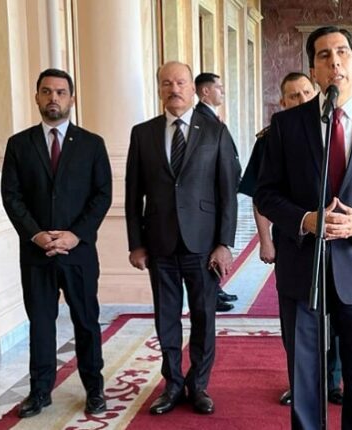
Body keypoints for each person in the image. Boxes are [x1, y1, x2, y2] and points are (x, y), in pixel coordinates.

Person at [255, 26, 352, 429]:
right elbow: (267, 194)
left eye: (342, 52)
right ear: (314, 69)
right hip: (301, 266)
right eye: (324, 55)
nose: (334, 61)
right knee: (305, 373)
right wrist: (305, 220)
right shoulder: (286, 126)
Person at [125, 61, 241, 415]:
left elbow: (227, 192)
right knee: (167, 317)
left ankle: (199, 384)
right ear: (159, 89)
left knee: (205, 316)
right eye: (166, 83)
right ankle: (173, 383)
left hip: (203, 245)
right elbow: (133, 194)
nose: (173, 89)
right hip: (159, 242)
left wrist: (224, 243)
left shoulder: (215, 131)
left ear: (193, 88)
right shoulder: (142, 133)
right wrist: (135, 243)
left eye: (180, 82)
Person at [1, 68, 112, 418]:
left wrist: (74, 234)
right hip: (36, 252)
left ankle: (94, 389)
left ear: (71, 99)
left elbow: (102, 195)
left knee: (86, 322)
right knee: (41, 323)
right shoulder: (19, 144)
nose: (54, 98)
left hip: (77, 252)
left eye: (61, 92)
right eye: (47, 92)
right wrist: (36, 234)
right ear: (36, 97)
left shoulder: (92, 144)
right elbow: (12, 196)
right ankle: (39, 391)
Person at [239, 72, 344, 407]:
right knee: (297, 318)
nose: (300, 100)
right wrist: (265, 240)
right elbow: (260, 195)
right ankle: (302, 383)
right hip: (294, 240)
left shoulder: (338, 131)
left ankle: (333, 380)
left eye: (305, 93)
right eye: (292, 97)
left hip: (339, 241)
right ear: (282, 102)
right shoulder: (273, 137)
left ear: (315, 93)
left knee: (339, 315)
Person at [194, 71, 237, 312]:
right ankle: (214, 292)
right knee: (210, 245)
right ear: (205, 91)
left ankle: (217, 289)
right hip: (209, 196)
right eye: (219, 87)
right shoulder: (202, 119)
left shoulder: (210, 117)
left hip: (217, 192)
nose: (222, 91)